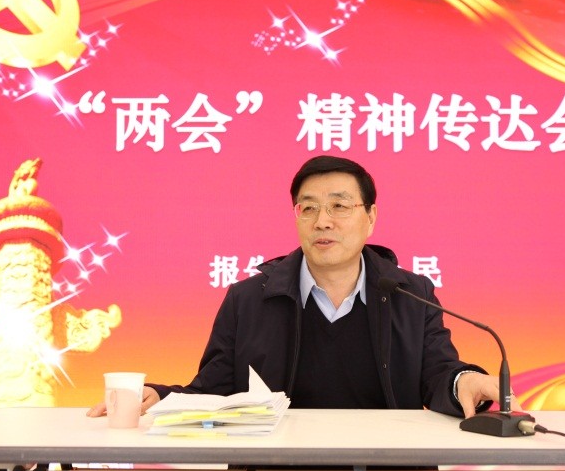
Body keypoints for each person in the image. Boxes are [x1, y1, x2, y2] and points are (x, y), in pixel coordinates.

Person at [88, 155, 506, 420]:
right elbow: (212, 392)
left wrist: (464, 381)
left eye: (339, 206)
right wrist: (160, 397)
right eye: (308, 208)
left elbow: (438, 373)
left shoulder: (409, 294)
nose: (323, 221)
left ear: (371, 217)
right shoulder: (248, 300)